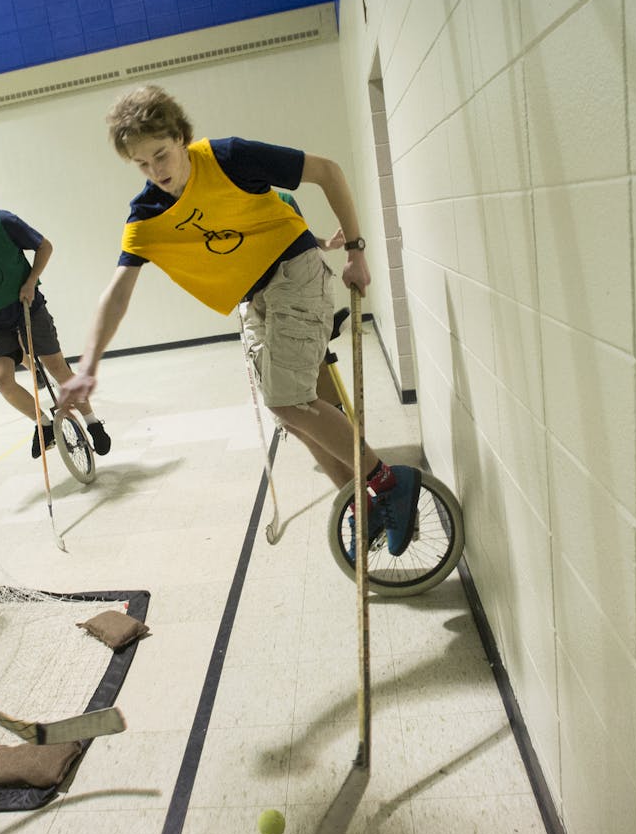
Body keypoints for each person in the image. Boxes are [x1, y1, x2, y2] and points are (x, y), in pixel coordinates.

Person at [59, 85, 422, 557]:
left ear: (182, 137)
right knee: (295, 414)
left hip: (294, 270)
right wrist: (88, 364)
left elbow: (327, 172)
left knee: (287, 402)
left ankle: (387, 482)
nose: (156, 172)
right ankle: (360, 503)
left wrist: (356, 251)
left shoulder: (228, 157)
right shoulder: (147, 213)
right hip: (253, 298)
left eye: (162, 155)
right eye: (141, 165)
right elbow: (118, 292)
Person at [0, 169, 111, 459]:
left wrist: (30, 281)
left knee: (57, 367)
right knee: (1, 379)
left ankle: (92, 423)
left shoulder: (1, 221)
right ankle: (45, 424)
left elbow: (44, 246)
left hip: (28, 307)